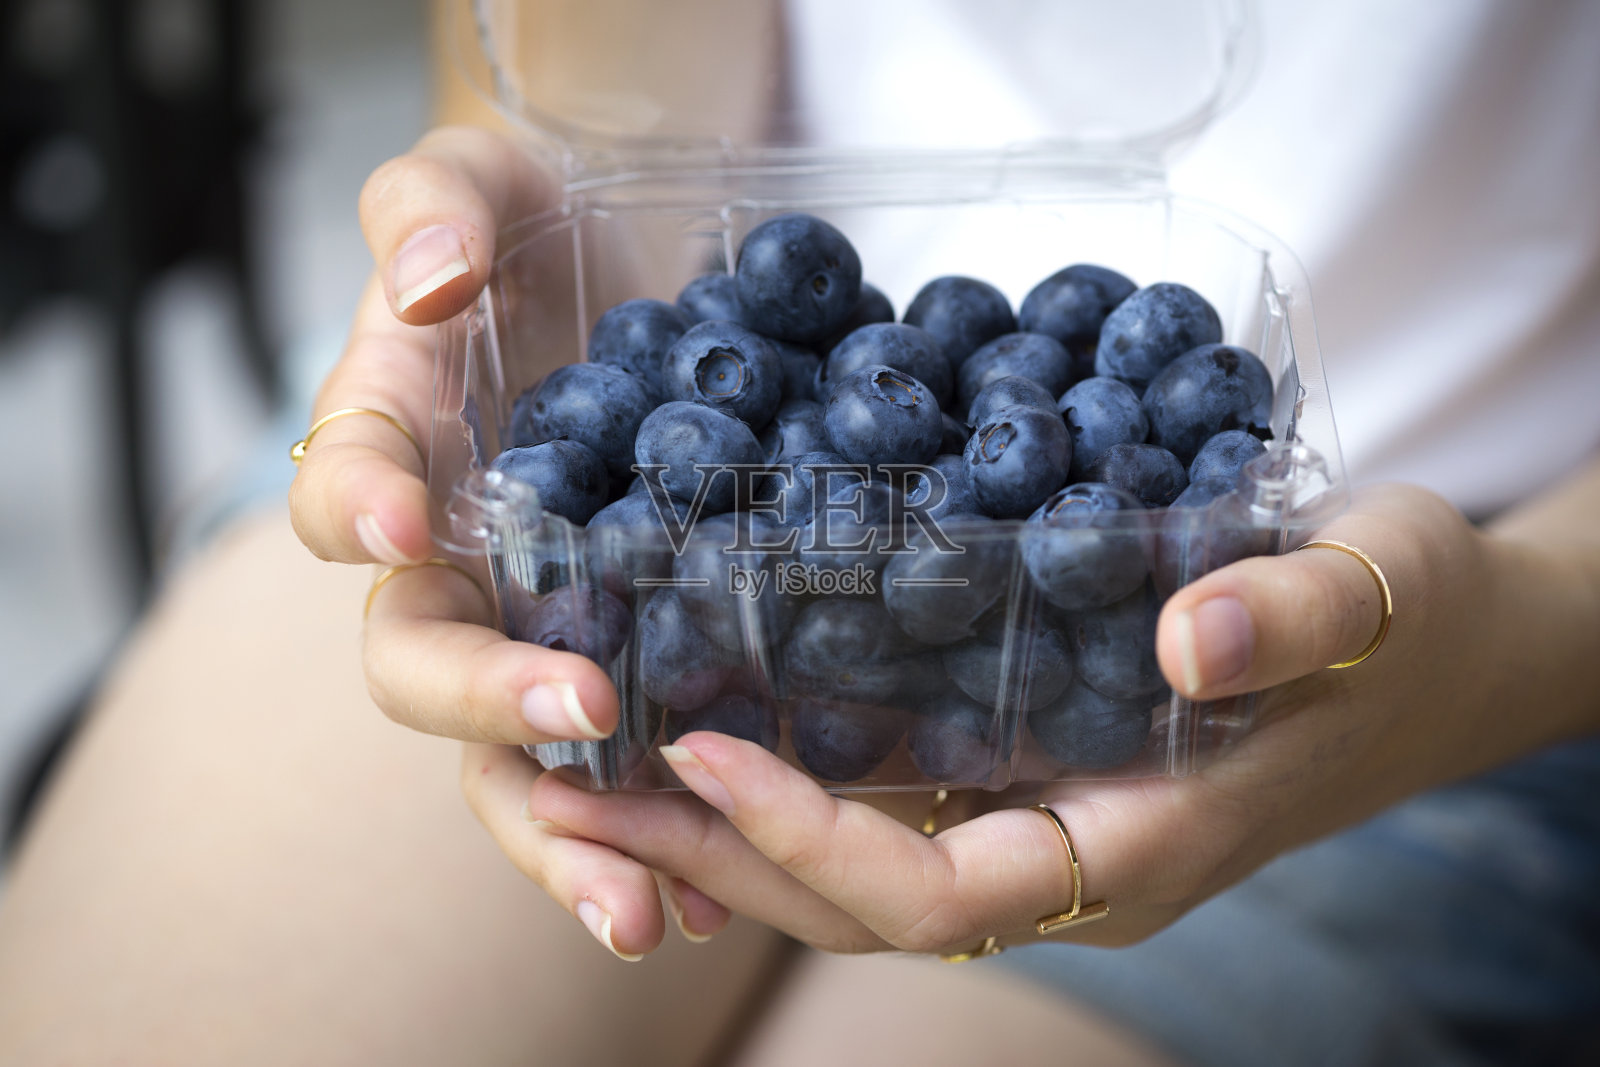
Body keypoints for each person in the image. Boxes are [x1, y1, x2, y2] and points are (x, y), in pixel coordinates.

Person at [2, 2, 1597, 1064]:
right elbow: (587, 79)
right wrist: (560, 205)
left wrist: (1504, 636)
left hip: (1444, 605)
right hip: (625, 477)